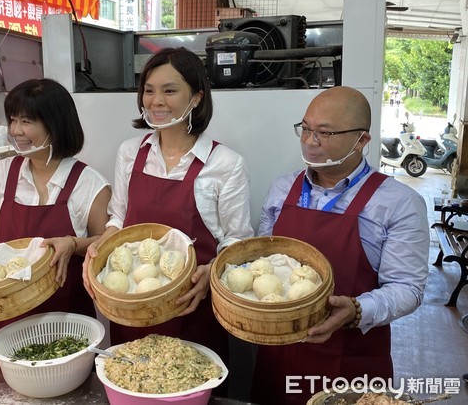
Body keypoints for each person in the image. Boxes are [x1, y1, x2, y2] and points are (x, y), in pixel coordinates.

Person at [252, 86, 430, 405]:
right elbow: (261, 258)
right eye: (305, 129)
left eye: (325, 132)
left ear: (362, 140)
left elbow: (408, 287)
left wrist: (357, 309)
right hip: (278, 353)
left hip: (350, 360)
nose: (310, 141)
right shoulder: (282, 189)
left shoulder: (399, 203)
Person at [83, 47, 254, 374]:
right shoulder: (130, 152)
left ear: (197, 98)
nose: (156, 101)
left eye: (170, 90)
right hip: (132, 305)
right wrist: (99, 247)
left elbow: (237, 242)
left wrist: (211, 274)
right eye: (149, 90)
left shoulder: (225, 164)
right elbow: (118, 217)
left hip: (192, 307)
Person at [0, 78, 111, 342]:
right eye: (13, 120)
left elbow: (105, 241)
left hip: (66, 315)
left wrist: (72, 243)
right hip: (5, 308)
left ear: (55, 126)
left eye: (26, 121)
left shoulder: (90, 184)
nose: (16, 130)